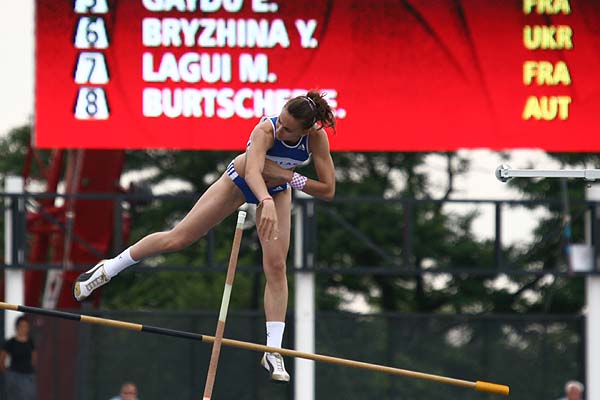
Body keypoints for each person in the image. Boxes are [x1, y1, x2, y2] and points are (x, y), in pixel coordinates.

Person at [73, 91, 337, 383]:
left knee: (276, 267)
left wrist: (287, 177)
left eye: (288, 129)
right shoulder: (265, 130)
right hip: (241, 180)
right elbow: (253, 171)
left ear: (305, 131)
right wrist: (265, 200)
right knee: (178, 239)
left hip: (277, 190)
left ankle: (272, 350)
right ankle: (108, 268)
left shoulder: (316, 139)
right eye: (281, 121)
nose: (281, 129)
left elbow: (327, 190)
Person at [0, 316, 37, 400]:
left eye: (26, 326)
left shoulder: (30, 342)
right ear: (17, 327)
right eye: (22, 326)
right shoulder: (11, 342)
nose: (24, 328)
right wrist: (7, 373)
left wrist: (31, 368)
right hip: (14, 376)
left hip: (28, 376)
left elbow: (34, 357)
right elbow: (2, 359)